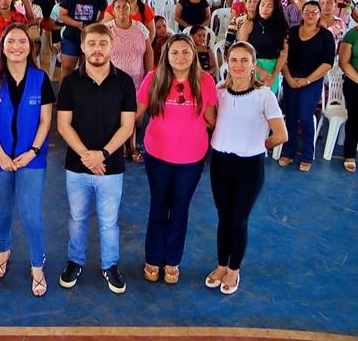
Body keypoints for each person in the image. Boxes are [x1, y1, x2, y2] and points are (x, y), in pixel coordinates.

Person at [56, 23, 135, 294]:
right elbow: (64, 125)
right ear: (83, 46)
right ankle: (75, 261)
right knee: (77, 218)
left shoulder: (124, 82)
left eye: (103, 43)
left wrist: (101, 154)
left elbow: (127, 126)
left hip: (110, 167)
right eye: (92, 43)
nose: (97, 49)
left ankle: (110, 264)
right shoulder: (69, 82)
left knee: (109, 221)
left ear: (112, 46)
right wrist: (86, 156)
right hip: (77, 167)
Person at [205, 41, 288, 295]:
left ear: (253, 65)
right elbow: (212, 119)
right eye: (234, 60)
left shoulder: (264, 95)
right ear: (227, 63)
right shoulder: (220, 91)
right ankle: (221, 265)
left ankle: (234, 269)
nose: (238, 65)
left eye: (244, 60)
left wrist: (257, 144)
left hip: (249, 167)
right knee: (223, 217)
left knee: (239, 220)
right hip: (220, 162)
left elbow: (281, 134)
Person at [0, 23, 54, 297]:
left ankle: (37, 265)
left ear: (30, 46)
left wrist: (33, 150)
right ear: (2, 47)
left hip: (31, 157)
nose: (16, 47)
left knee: (31, 213)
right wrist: (0, 154)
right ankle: (3, 250)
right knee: (4, 209)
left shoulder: (41, 78)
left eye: (22, 41)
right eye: (11, 41)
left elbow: (46, 119)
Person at [136, 34, 217, 285]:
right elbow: (135, 115)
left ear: (193, 54)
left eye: (185, 52)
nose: (180, 57)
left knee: (180, 208)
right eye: (175, 53)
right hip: (157, 156)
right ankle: (153, 257)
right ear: (166, 55)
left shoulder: (205, 81)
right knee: (159, 205)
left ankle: (172, 261)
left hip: (191, 158)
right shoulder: (153, 79)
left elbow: (212, 119)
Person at [279, 0, 335, 172]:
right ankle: (288, 151)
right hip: (291, 78)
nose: (310, 14)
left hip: (312, 81)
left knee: (305, 115)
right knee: (291, 114)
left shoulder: (326, 36)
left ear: (319, 14)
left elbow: (327, 64)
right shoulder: (292, 32)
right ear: (302, 14)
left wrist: (308, 80)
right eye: (307, 11)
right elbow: (283, 57)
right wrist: (288, 77)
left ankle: (307, 154)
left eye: (314, 11)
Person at [105, 0, 153, 162]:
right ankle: (117, 146)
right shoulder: (106, 29)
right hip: (112, 79)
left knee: (130, 113)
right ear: (113, 10)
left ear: (130, 9)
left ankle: (131, 145)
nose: (122, 10)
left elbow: (149, 52)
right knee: (113, 113)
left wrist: (149, 73)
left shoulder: (140, 28)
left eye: (125, 7)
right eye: (118, 7)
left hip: (136, 78)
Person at [58, 0, 107, 82]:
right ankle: (63, 97)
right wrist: (77, 24)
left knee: (86, 70)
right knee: (67, 68)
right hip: (71, 36)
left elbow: (104, 12)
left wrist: (96, 24)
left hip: (90, 38)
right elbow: (61, 15)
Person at [237, 0, 288, 95]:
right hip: (250, 67)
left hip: (271, 70)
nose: (264, 9)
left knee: (267, 105)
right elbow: (242, 51)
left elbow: (283, 54)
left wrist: (273, 76)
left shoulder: (281, 28)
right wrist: (258, 70)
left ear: (275, 9)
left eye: (269, 6)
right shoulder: (248, 25)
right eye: (262, 4)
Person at [339, 23, 358, 172]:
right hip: (354, 82)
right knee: (355, 118)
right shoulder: (352, 34)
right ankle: (350, 154)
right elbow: (343, 63)